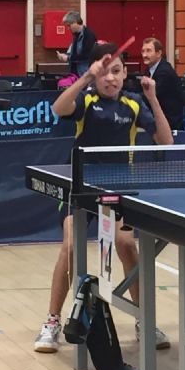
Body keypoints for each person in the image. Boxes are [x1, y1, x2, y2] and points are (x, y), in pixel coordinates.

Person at [34, 42, 173, 353]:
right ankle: (52, 322)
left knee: (126, 245)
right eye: (105, 72)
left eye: (117, 71)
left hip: (118, 188)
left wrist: (153, 98)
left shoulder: (134, 104)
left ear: (124, 74)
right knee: (71, 246)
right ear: (96, 75)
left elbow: (166, 141)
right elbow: (58, 109)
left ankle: (144, 320)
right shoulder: (87, 100)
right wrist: (85, 78)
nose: (111, 78)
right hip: (81, 187)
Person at [141, 37, 185, 129]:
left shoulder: (164, 72)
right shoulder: (148, 70)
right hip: (156, 117)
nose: (144, 55)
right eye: (143, 51)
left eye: (148, 51)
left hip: (169, 123)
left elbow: (149, 96)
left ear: (158, 53)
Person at [56, 11, 97, 77]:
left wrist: (68, 58)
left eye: (69, 25)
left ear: (75, 22)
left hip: (84, 73)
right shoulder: (76, 35)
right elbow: (75, 53)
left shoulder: (88, 35)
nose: (68, 28)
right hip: (76, 71)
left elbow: (86, 55)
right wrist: (66, 55)